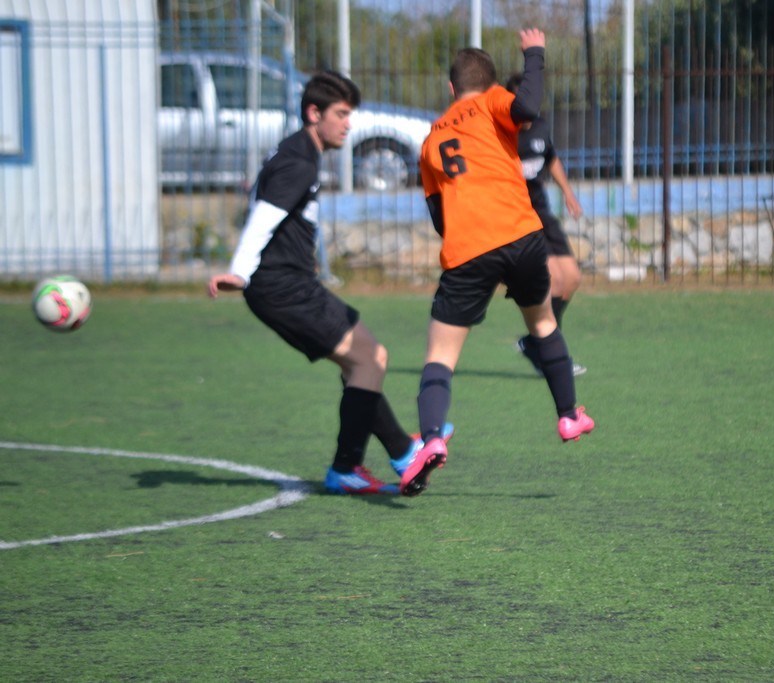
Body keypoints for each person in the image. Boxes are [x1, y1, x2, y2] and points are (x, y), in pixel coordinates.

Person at [208, 70, 451, 496]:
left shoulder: (296, 151)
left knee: (365, 360)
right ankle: (364, 463)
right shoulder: (299, 160)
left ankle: (395, 451)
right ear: (313, 113)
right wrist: (239, 272)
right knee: (369, 358)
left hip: (290, 284)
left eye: (349, 114)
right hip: (282, 288)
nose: (348, 124)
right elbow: (264, 216)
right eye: (340, 114)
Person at [399, 29, 595, 498]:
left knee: (440, 356)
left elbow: (438, 216)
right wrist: (534, 54)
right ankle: (568, 415)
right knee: (543, 323)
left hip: (468, 249)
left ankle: (431, 439)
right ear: (489, 84)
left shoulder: (432, 138)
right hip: (522, 237)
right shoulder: (493, 103)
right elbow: (526, 108)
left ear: (451, 88)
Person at [505, 72, 587, 377]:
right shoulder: (500, 133)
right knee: (552, 281)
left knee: (572, 278)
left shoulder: (540, 126)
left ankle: (535, 343)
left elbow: (550, 157)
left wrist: (568, 193)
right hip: (519, 218)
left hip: (543, 213)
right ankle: (552, 355)